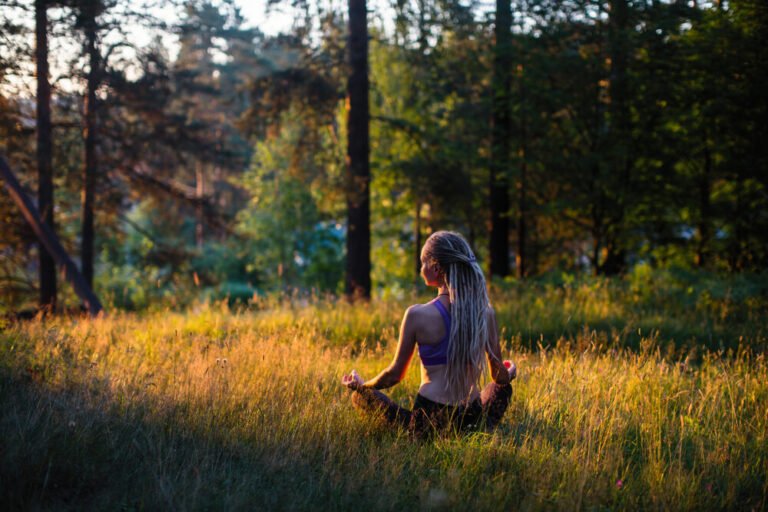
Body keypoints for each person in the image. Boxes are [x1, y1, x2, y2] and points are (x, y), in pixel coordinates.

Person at [341, 230, 517, 437]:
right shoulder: (484, 313)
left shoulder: (416, 314)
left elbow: (395, 375)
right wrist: (510, 372)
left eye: (422, 263)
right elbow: (500, 377)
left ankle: (415, 431)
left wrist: (364, 385)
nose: (420, 268)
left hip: (429, 419)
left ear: (436, 268)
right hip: (471, 416)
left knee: (361, 397)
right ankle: (476, 431)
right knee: (502, 389)